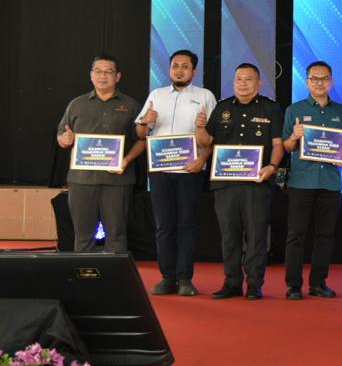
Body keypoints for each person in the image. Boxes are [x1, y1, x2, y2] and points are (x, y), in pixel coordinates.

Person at [196, 63, 283, 301]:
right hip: (225, 184)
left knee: (256, 236)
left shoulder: (270, 108)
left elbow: (277, 144)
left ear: (259, 83)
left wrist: (272, 166)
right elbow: (206, 142)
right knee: (229, 236)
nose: (243, 84)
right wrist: (199, 127)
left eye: (248, 79)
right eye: (238, 79)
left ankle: (254, 284)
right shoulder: (222, 107)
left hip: (257, 183)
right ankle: (231, 283)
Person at [136, 49, 217, 297]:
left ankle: (184, 278)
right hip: (160, 171)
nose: (179, 70)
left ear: (194, 71)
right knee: (164, 226)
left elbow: (213, 138)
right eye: (175, 66)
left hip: (190, 171)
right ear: (169, 69)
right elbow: (140, 134)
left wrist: (201, 160)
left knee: (187, 225)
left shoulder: (205, 96)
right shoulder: (156, 95)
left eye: (185, 66)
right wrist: (145, 121)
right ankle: (167, 277)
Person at [56, 55, 146, 253]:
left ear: (118, 76)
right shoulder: (76, 104)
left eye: (108, 71)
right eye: (98, 71)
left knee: (117, 235)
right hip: (81, 180)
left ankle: (114, 274)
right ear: (91, 75)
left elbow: (142, 140)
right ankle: (83, 273)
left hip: (118, 181)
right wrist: (65, 139)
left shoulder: (131, 105)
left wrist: (126, 160)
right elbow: (61, 136)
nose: (102, 76)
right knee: (82, 235)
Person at [280, 61, 342, 301]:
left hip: (330, 182)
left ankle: (318, 283)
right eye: (314, 78)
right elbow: (286, 146)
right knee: (296, 236)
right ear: (307, 81)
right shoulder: (294, 110)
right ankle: (293, 285)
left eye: (324, 78)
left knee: (325, 236)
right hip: (301, 181)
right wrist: (294, 136)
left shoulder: (341, 111)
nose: (320, 83)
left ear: (331, 82)